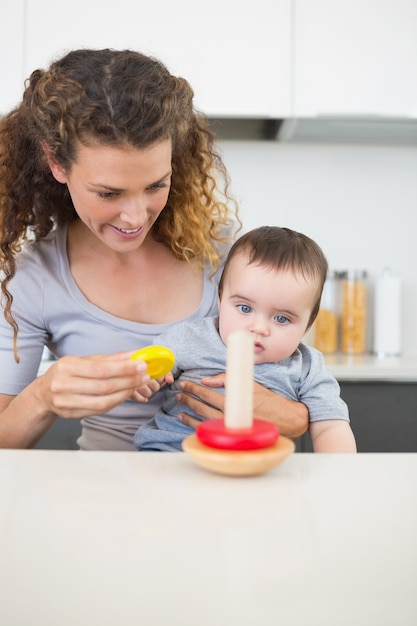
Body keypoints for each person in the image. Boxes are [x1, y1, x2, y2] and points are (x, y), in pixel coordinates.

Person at [0, 49, 308, 450]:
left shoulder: (222, 253)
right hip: (108, 495)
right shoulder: (33, 279)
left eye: (155, 185)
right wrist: (43, 396)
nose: (134, 217)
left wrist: (293, 417)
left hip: (223, 492)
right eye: (108, 192)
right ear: (56, 162)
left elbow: (302, 384)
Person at [135, 226, 357, 453]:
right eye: (244, 308)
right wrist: (146, 381)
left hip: (258, 469)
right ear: (220, 301)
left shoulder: (307, 367)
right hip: (173, 455)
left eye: (281, 318)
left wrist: (339, 474)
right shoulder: (189, 337)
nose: (258, 328)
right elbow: (145, 367)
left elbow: (330, 426)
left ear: (308, 325)